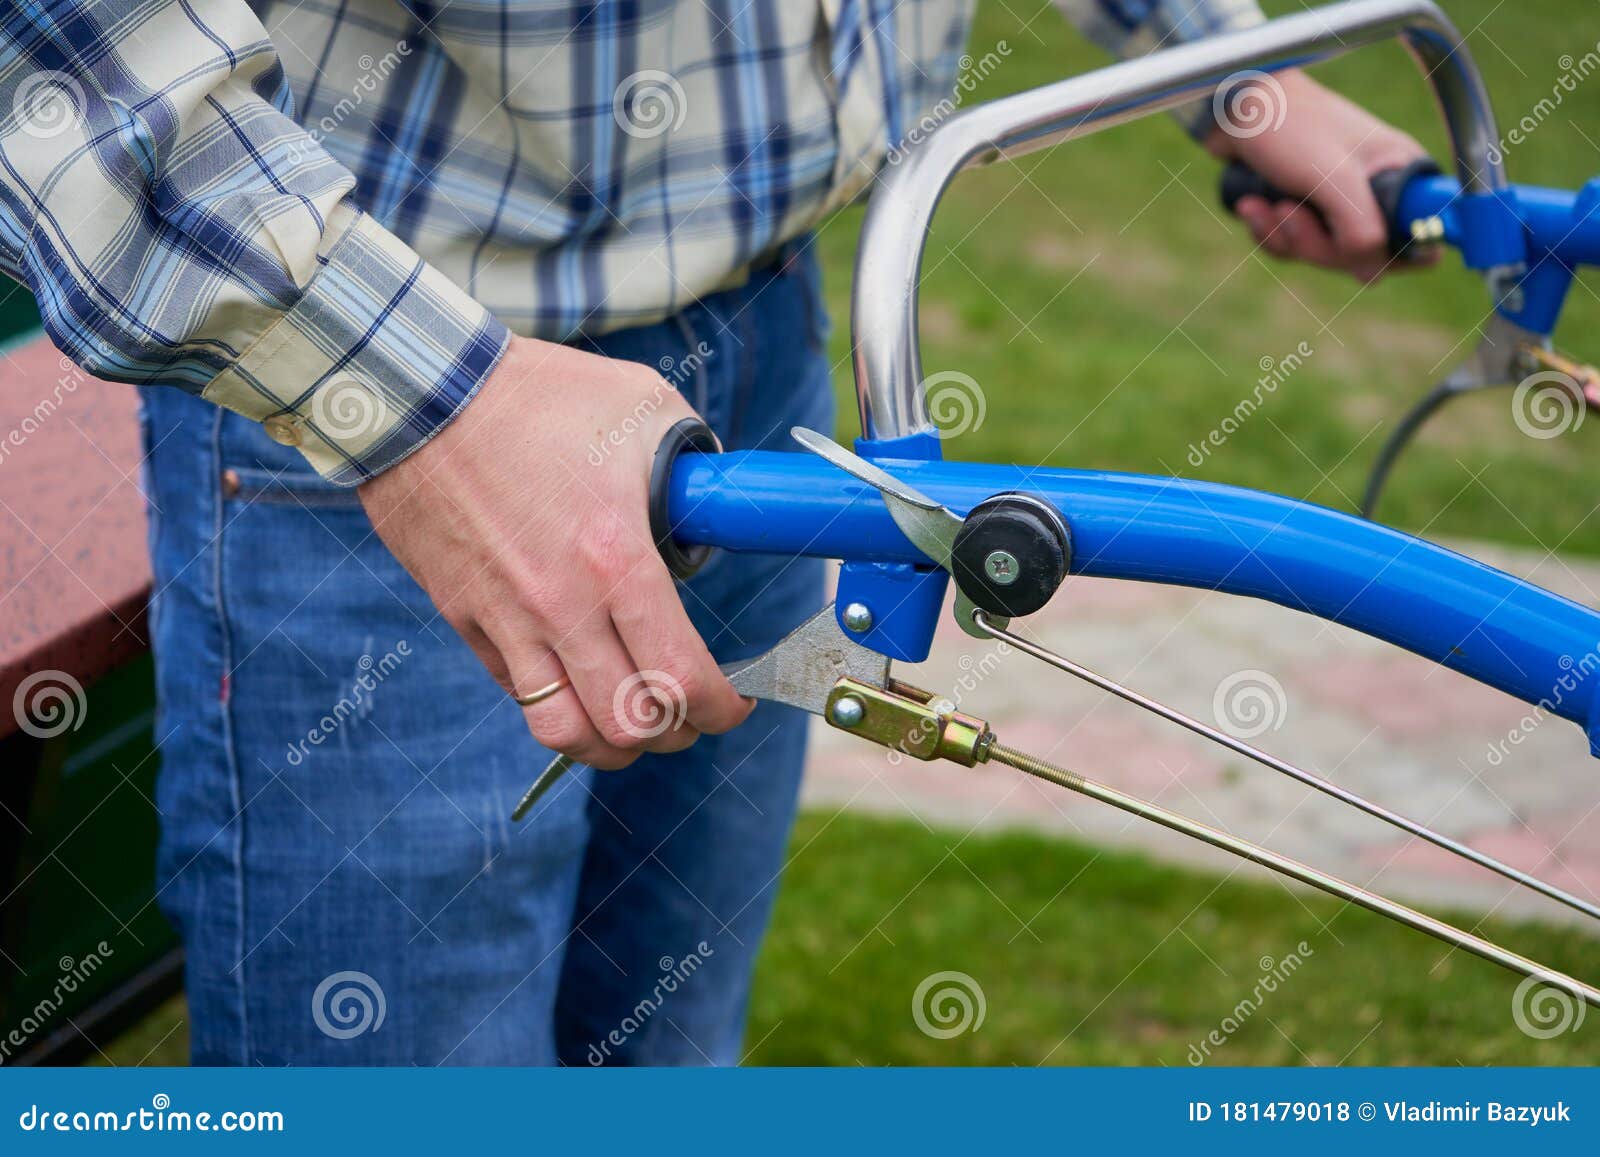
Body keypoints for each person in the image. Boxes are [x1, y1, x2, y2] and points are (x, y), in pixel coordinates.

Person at [0, 0, 1429, 1065]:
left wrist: (1228, 63)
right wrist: (410, 394)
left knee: (670, 1056)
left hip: (760, 338)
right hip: (399, 399)